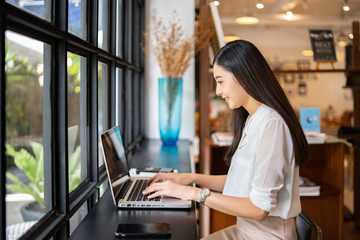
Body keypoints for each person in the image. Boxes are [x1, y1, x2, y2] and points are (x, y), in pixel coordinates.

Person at [143, 40, 309, 239]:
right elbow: (242, 182)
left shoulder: (272, 125)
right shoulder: (254, 119)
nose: (218, 91)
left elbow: (258, 209)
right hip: (245, 232)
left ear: (243, 76)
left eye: (220, 81)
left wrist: (194, 194)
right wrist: (190, 179)